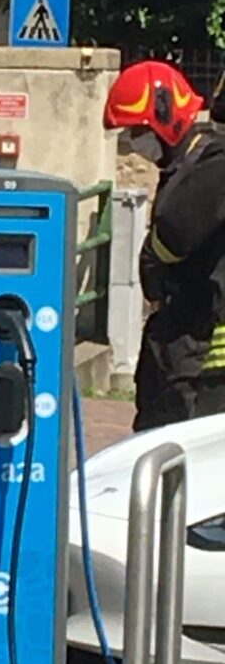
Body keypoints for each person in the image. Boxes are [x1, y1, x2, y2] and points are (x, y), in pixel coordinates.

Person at [104, 59, 225, 427]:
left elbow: (176, 231)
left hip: (199, 356)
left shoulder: (214, 164)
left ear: (164, 112)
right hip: (178, 348)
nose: (135, 143)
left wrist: (151, 260)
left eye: (139, 131)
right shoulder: (187, 164)